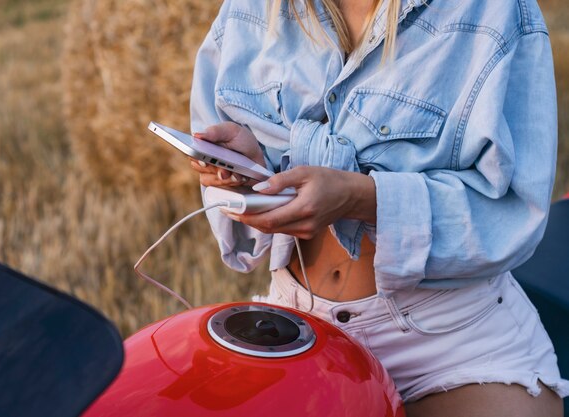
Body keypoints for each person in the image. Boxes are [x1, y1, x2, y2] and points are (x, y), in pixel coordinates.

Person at [188, 0, 569, 415]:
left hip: (451, 341)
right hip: (297, 323)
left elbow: (513, 213)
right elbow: (237, 179)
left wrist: (361, 197)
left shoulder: (494, 11)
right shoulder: (251, 9)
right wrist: (251, 172)